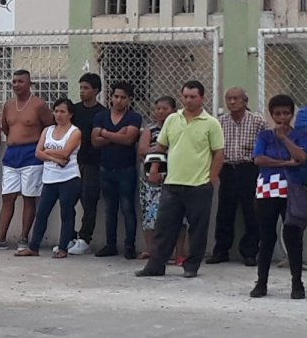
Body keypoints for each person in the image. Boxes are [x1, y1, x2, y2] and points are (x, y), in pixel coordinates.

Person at [136, 80, 224, 279]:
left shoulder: (211, 123)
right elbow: (161, 147)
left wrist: (212, 178)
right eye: (185, 96)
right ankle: (155, 265)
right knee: (164, 227)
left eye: (193, 97)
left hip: (199, 184)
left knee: (197, 229)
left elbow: (218, 153)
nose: (189, 100)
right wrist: (154, 169)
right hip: (172, 184)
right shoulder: (172, 120)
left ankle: (191, 266)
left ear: (202, 98)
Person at [0, 69, 52, 250]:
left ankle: (23, 237)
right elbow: (6, 128)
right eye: (13, 82)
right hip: (12, 155)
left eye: (20, 81)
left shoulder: (39, 105)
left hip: (31, 155)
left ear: (29, 84)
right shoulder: (8, 105)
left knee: (29, 198)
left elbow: (49, 127)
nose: (16, 85)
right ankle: (0, 238)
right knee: (8, 197)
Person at [250, 94, 307, 299]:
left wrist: (284, 138)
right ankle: (261, 282)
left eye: (286, 113)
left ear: (292, 114)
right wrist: (285, 163)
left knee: (293, 237)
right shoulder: (265, 136)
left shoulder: (299, 134)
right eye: (277, 113)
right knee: (266, 237)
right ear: (272, 114)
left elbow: (302, 157)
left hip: (292, 190)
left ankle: (297, 283)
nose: (282, 117)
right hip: (267, 190)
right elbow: (259, 159)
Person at [17, 97, 82, 258]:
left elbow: (66, 152)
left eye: (63, 112)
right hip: (50, 178)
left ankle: (63, 247)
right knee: (42, 213)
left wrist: (48, 151)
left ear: (70, 114)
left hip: (69, 177)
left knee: (66, 213)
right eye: (56, 111)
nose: (58, 115)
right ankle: (34, 247)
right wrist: (55, 158)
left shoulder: (74, 132)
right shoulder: (48, 130)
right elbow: (38, 153)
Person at [208, 87, 265, 266]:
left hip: (249, 169)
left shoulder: (257, 121)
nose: (232, 102)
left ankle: (249, 252)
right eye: (229, 99)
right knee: (225, 211)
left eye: (236, 98)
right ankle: (221, 250)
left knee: (251, 211)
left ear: (245, 101)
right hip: (227, 169)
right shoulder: (220, 122)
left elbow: (265, 144)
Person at [92, 81, 142, 259]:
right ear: (111, 97)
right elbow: (95, 141)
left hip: (126, 169)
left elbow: (129, 140)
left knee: (128, 208)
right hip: (106, 169)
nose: (119, 100)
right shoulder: (100, 116)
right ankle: (110, 244)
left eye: (123, 97)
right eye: (116, 97)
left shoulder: (134, 117)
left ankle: (130, 246)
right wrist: (117, 135)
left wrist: (105, 133)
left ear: (129, 99)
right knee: (110, 209)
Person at [138, 96, 187, 263]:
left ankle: (179, 253)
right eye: (157, 108)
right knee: (151, 215)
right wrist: (161, 149)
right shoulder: (149, 130)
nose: (160, 112)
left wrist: (158, 149)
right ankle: (151, 250)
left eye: (165, 109)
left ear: (174, 110)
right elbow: (143, 150)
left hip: (175, 177)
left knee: (179, 217)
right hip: (150, 181)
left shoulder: (180, 128)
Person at [68, 73, 105, 255]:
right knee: (68, 200)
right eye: (81, 87)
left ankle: (84, 238)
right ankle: (69, 236)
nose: (82, 91)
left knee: (88, 200)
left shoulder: (102, 113)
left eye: (86, 88)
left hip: (92, 163)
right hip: (73, 162)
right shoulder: (74, 110)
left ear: (96, 91)